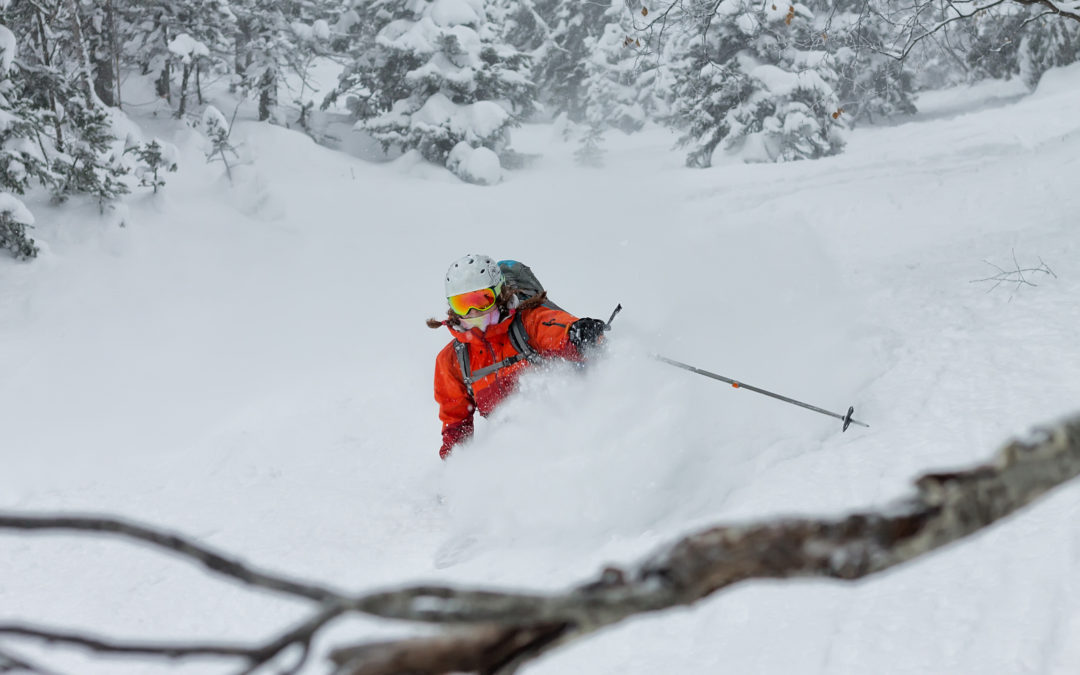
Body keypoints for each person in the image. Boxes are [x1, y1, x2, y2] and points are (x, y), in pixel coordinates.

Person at [428, 254, 607, 458]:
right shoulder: (452, 361)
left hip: (572, 434)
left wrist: (578, 333)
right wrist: (453, 474)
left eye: (481, 300)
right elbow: (456, 428)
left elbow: (557, 329)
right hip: (518, 456)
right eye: (462, 304)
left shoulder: (529, 323)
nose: (472, 312)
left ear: (498, 294)